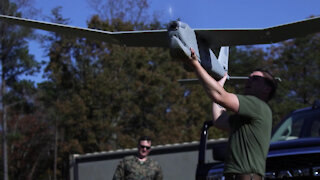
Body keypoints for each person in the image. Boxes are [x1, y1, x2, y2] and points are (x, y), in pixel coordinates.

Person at [183, 48, 277, 180]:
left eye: (255, 78)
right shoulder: (246, 117)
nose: (248, 81)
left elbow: (220, 96)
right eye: (248, 78)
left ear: (267, 88)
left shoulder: (258, 105)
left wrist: (196, 64)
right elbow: (219, 120)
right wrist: (219, 85)